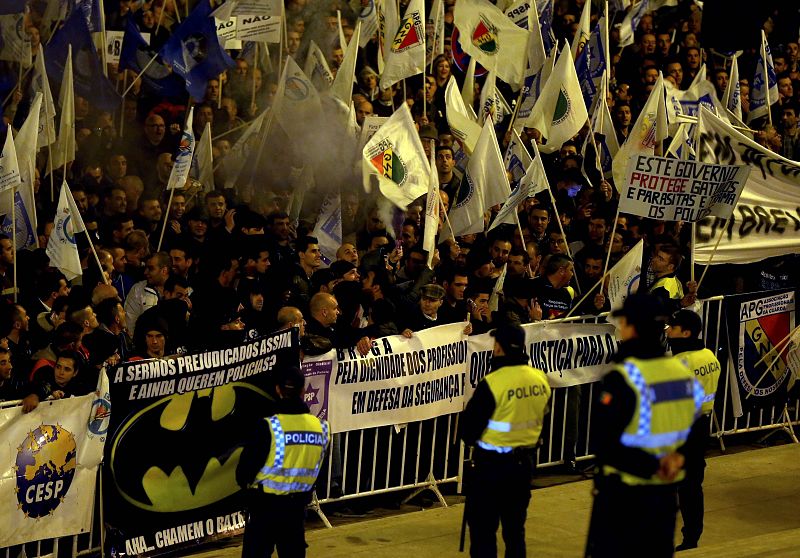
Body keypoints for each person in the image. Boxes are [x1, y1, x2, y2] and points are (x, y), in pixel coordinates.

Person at [585, 294, 705, 558]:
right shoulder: (681, 374)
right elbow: (695, 434)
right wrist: (674, 461)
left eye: (624, 322)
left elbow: (606, 442)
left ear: (632, 327)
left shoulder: (624, 377)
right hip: (664, 495)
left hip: (624, 496)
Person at [461, 324, 551, 558]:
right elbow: (544, 418)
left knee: (483, 532)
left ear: (499, 347)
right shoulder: (539, 379)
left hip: (491, 468)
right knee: (514, 531)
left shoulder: (493, 383)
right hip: (523, 466)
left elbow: (469, 430)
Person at [236, 365, 329, 558]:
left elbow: (244, 472)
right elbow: (320, 470)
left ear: (278, 389)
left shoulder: (269, 427)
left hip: (265, 510)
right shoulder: (321, 428)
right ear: (303, 390)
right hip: (296, 512)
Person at [667, 309, 722, 551]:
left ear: (686, 332)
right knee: (692, 485)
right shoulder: (709, 355)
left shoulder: (679, 363)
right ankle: (692, 536)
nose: (668, 331)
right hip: (702, 426)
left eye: (673, 328)